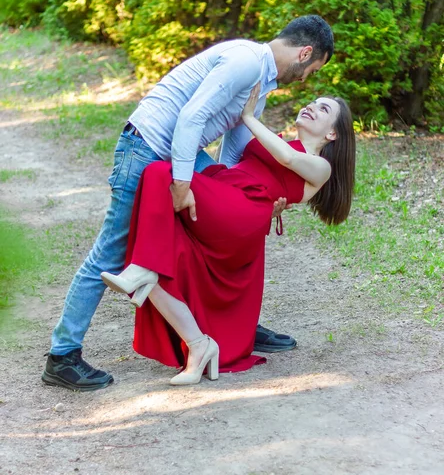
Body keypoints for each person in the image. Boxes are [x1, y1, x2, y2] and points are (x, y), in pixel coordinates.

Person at [42, 15, 334, 391]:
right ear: (305, 53)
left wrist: (235, 198)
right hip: (147, 146)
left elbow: (232, 151)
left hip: (180, 152)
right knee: (111, 252)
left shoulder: (258, 84)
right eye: (312, 68)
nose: (307, 77)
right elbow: (190, 117)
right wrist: (182, 183)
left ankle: (235, 327)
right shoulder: (245, 62)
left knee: (240, 223)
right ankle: (62, 356)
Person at [100, 88, 356, 383]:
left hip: (244, 210)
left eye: (323, 110)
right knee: (166, 254)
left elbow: (286, 159)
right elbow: (245, 160)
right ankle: (198, 345)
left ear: (332, 135)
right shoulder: (281, 141)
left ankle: (142, 268)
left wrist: (248, 116)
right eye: (313, 102)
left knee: (160, 173)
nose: (312, 106)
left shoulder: (321, 167)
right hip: (226, 193)